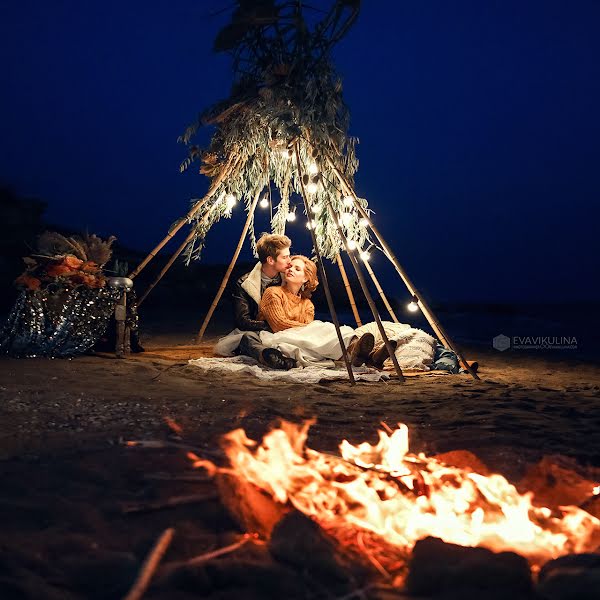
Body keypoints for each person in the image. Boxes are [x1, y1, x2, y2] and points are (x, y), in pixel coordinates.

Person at [256, 255, 395, 368]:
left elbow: (308, 332)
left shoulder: (307, 304)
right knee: (323, 330)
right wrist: (314, 327)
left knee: (327, 335)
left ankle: (370, 356)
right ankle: (361, 354)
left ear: (305, 278)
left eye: (297, 268)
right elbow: (278, 324)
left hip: (298, 337)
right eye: (290, 266)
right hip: (276, 335)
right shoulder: (273, 292)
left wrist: (313, 328)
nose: (290, 269)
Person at [232, 233, 296, 369]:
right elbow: (242, 321)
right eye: (285, 257)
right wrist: (271, 324)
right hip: (258, 331)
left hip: (286, 329)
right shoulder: (245, 283)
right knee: (248, 338)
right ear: (270, 260)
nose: (290, 261)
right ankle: (269, 357)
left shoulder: (289, 278)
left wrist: (283, 324)